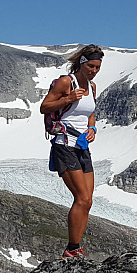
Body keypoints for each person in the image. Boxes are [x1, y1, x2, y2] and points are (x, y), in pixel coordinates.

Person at [40, 44, 103, 259]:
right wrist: (68, 99)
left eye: (97, 67)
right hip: (64, 143)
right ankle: (72, 249)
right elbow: (45, 106)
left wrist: (92, 128)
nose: (94, 70)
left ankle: (76, 249)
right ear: (82, 62)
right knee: (82, 198)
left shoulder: (92, 87)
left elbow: (90, 114)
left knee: (88, 200)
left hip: (82, 145)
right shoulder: (67, 82)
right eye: (91, 66)